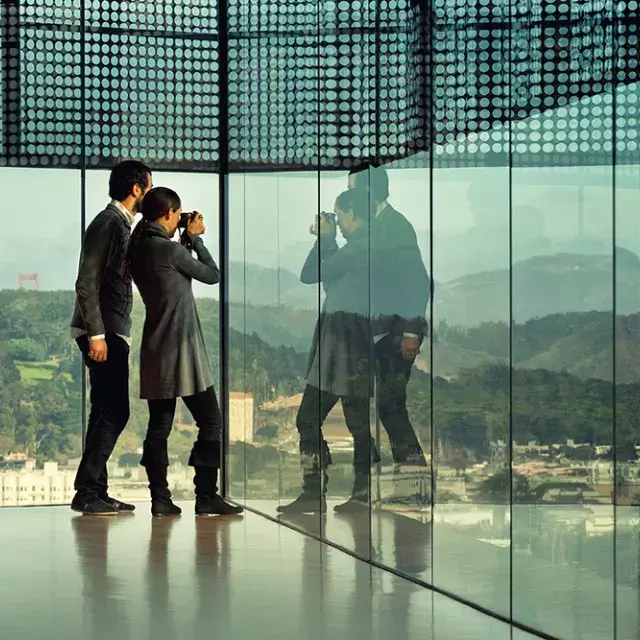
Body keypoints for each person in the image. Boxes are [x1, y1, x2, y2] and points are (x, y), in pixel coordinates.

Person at [126, 186, 242, 518]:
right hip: (183, 350)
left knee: (159, 426)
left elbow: (168, 270)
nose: (181, 219)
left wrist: (182, 240)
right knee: (211, 421)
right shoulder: (170, 251)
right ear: (168, 214)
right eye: (178, 214)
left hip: (155, 348)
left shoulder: (140, 248)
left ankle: (160, 500)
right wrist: (197, 240)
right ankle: (206, 496)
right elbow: (212, 276)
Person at [277, 188, 380, 515]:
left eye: (338, 215)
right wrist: (329, 240)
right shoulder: (363, 248)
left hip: (342, 344)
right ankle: (359, 492)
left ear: (351, 215)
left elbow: (310, 275)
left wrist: (324, 239)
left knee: (311, 418)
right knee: (356, 423)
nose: (336, 221)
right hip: (350, 343)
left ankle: (317, 491)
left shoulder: (359, 250)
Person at [70, 160, 152, 516]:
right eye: (148, 187)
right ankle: (86, 489)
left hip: (109, 329)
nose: (148, 193)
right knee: (116, 411)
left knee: (104, 410)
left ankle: (96, 492)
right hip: (103, 330)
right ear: (136, 189)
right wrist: (97, 335)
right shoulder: (108, 223)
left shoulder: (122, 224)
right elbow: (86, 281)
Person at [348, 161, 430, 502]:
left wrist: (411, 329)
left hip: (395, 333)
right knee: (384, 408)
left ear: (369, 191)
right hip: (380, 332)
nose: (348, 195)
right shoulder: (376, 226)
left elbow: (417, 279)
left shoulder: (395, 226)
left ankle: (414, 488)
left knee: (391, 408)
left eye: (353, 189)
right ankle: (404, 488)